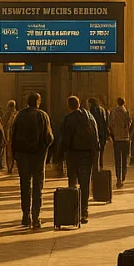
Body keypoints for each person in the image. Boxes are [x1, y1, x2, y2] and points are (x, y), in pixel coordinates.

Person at [11, 92, 54, 228]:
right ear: (37, 102)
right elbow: (49, 137)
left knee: (25, 185)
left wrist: (15, 154)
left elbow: (13, 136)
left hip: (23, 156)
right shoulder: (43, 115)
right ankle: (36, 217)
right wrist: (44, 150)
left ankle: (25, 216)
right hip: (38, 157)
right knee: (37, 188)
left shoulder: (20, 115)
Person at [56, 96, 99, 224]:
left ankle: (73, 211)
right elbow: (95, 135)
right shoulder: (90, 117)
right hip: (87, 155)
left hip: (73, 154)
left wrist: (59, 157)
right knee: (84, 183)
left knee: (72, 182)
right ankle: (84, 211)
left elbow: (65, 138)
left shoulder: (68, 119)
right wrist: (95, 153)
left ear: (69, 106)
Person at [108, 97, 132, 187]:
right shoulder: (127, 112)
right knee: (125, 158)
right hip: (125, 138)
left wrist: (112, 133)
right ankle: (123, 173)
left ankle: (118, 177)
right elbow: (130, 123)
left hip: (117, 138)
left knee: (117, 159)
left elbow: (111, 123)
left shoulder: (113, 111)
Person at [87, 98, 109, 170]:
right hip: (102, 134)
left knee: (94, 153)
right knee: (101, 153)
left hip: (95, 134)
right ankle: (100, 166)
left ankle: (95, 169)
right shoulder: (103, 110)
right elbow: (105, 122)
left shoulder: (92, 111)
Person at [2, 99, 18, 173]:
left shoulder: (6, 114)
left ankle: (10, 167)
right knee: (14, 151)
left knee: (9, 153)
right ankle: (11, 166)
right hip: (15, 135)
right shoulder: (17, 114)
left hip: (8, 136)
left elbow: (3, 124)